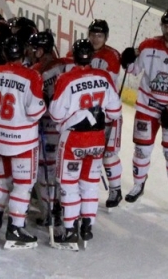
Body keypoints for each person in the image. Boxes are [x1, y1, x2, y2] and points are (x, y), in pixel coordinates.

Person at [120, 9, 168, 209]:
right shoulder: (147, 46)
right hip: (147, 107)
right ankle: (138, 185)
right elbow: (133, 70)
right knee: (141, 150)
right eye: (166, 25)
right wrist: (126, 60)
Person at [50, 39, 122, 250]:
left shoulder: (66, 78)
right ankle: (87, 227)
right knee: (90, 185)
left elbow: (55, 114)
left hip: (73, 141)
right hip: (97, 140)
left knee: (69, 185)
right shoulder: (104, 77)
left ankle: (70, 230)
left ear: (73, 56)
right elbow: (115, 112)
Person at [0, 37, 45, 249]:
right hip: (22, 143)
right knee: (22, 186)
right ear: (23, 53)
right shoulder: (31, 75)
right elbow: (35, 112)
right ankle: (15, 228)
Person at [27, 30, 73, 228]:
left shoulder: (36, 71)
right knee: (63, 171)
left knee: (45, 171)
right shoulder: (66, 64)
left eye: (33, 48)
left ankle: (48, 213)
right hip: (68, 127)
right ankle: (64, 209)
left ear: (40, 50)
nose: (30, 51)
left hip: (47, 126)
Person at [84, 19, 125, 210]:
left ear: (106, 37)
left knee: (109, 155)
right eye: (93, 34)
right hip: (86, 114)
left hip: (108, 114)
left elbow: (107, 84)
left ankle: (115, 190)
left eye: (99, 35)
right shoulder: (79, 50)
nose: (95, 39)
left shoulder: (112, 55)